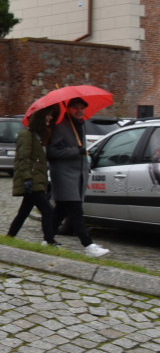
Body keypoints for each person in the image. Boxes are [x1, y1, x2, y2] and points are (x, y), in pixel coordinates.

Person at [48, 97, 110, 258]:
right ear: (68, 109)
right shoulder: (61, 127)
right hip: (64, 176)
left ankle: (47, 239)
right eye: (75, 107)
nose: (79, 110)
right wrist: (75, 151)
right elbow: (51, 152)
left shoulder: (79, 126)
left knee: (60, 211)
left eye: (81, 108)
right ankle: (88, 245)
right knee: (76, 211)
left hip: (77, 175)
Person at [7, 105, 59, 245]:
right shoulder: (27, 134)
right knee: (47, 210)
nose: (50, 117)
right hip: (32, 180)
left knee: (23, 212)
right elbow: (24, 158)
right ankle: (49, 240)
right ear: (40, 117)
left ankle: (9, 237)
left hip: (36, 180)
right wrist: (27, 178)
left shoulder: (39, 136)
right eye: (48, 115)